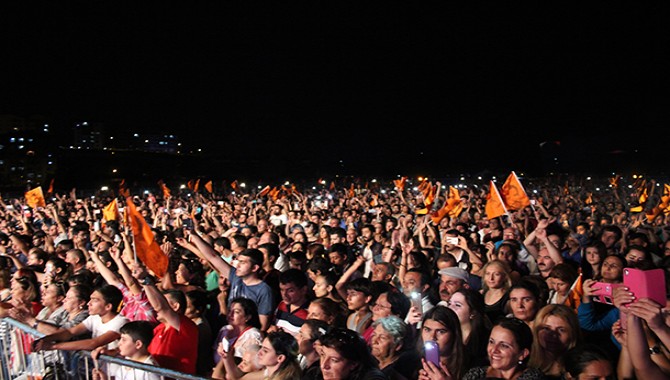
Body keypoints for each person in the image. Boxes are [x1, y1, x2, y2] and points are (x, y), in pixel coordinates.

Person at [189, 232, 274, 331]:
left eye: (242, 262)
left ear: (255, 268)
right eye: (238, 261)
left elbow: (263, 325)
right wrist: (194, 235)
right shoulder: (236, 277)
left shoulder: (264, 290)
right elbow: (213, 256)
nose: (237, 265)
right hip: (228, 330)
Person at [33, 284, 128, 352]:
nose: (88, 303)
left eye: (94, 300)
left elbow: (94, 343)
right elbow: (70, 332)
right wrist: (46, 339)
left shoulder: (120, 322)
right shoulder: (94, 318)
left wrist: (53, 346)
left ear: (108, 306)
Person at [462, 317, 544, 380]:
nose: (494, 350)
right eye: (491, 342)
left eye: (504, 345)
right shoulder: (476, 374)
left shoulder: (532, 377)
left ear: (522, 354)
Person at [91, 320, 161, 380]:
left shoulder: (150, 370)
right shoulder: (127, 358)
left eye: (124, 340)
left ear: (138, 344)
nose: (119, 343)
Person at [529, 304, 582, 379]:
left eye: (561, 330)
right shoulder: (524, 363)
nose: (553, 335)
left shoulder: (581, 368)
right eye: (546, 328)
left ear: (572, 333)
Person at [447, 288, 492, 371]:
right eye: (449, 304)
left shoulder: (485, 340)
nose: (450, 308)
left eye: (457, 305)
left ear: (472, 313)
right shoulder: (447, 334)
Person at [318, 327, 387, 379]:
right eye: (322, 355)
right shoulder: (317, 374)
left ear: (353, 364)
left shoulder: (373, 378)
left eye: (334, 360)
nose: (323, 366)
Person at [417, 305, 464, 380]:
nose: (432, 337)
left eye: (441, 332)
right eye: (427, 330)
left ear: (454, 334)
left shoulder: (471, 367)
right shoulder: (412, 362)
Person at [213, 296, 263, 366]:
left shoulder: (253, 335)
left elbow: (252, 364)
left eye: (236, 312)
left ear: (247, 317)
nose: (231, 314)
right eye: (230, 310)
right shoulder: (224, 330)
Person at [370, 315, 421, 380]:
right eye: (374, 335)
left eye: (382, 338)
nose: (374, 341)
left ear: (398, 345)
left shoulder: (400, 373)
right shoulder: (369, 363)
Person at [479, 259, 512, 324]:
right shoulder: (481, 294)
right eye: (487, 274)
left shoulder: (509, 298)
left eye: (496, 274)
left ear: (505, 277)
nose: (491, 278)